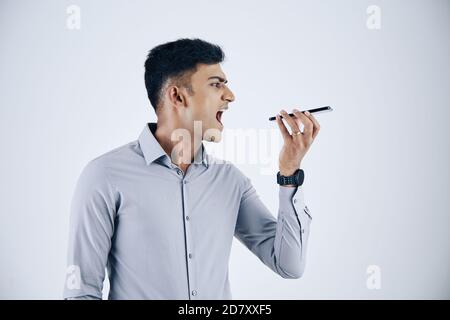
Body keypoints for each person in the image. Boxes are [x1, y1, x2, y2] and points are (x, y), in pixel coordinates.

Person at [63, 38, 320, 300]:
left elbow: (289, 265)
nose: (230, 96)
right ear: (177, 95)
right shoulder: (105, 176)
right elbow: (81, 292)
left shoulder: (230, 181)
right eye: (216, 84)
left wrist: (290, 172)